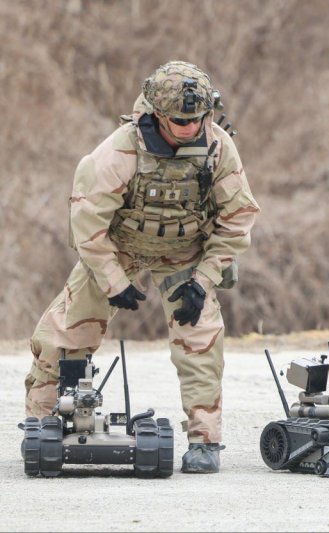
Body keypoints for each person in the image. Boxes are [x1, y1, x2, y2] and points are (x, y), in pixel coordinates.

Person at [23, 61, 260, 474]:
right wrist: (113, 280)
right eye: (180, 121)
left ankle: (205, 441)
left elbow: (238, 217)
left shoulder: (218, 146)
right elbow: (87, 225)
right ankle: (41, 425)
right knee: (63, 333)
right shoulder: (119, 150)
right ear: (156, 114)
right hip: (120, 247)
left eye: (198, 119)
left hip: (185, 250)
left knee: (201, 340)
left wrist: (203, 281)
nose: (190, 128)